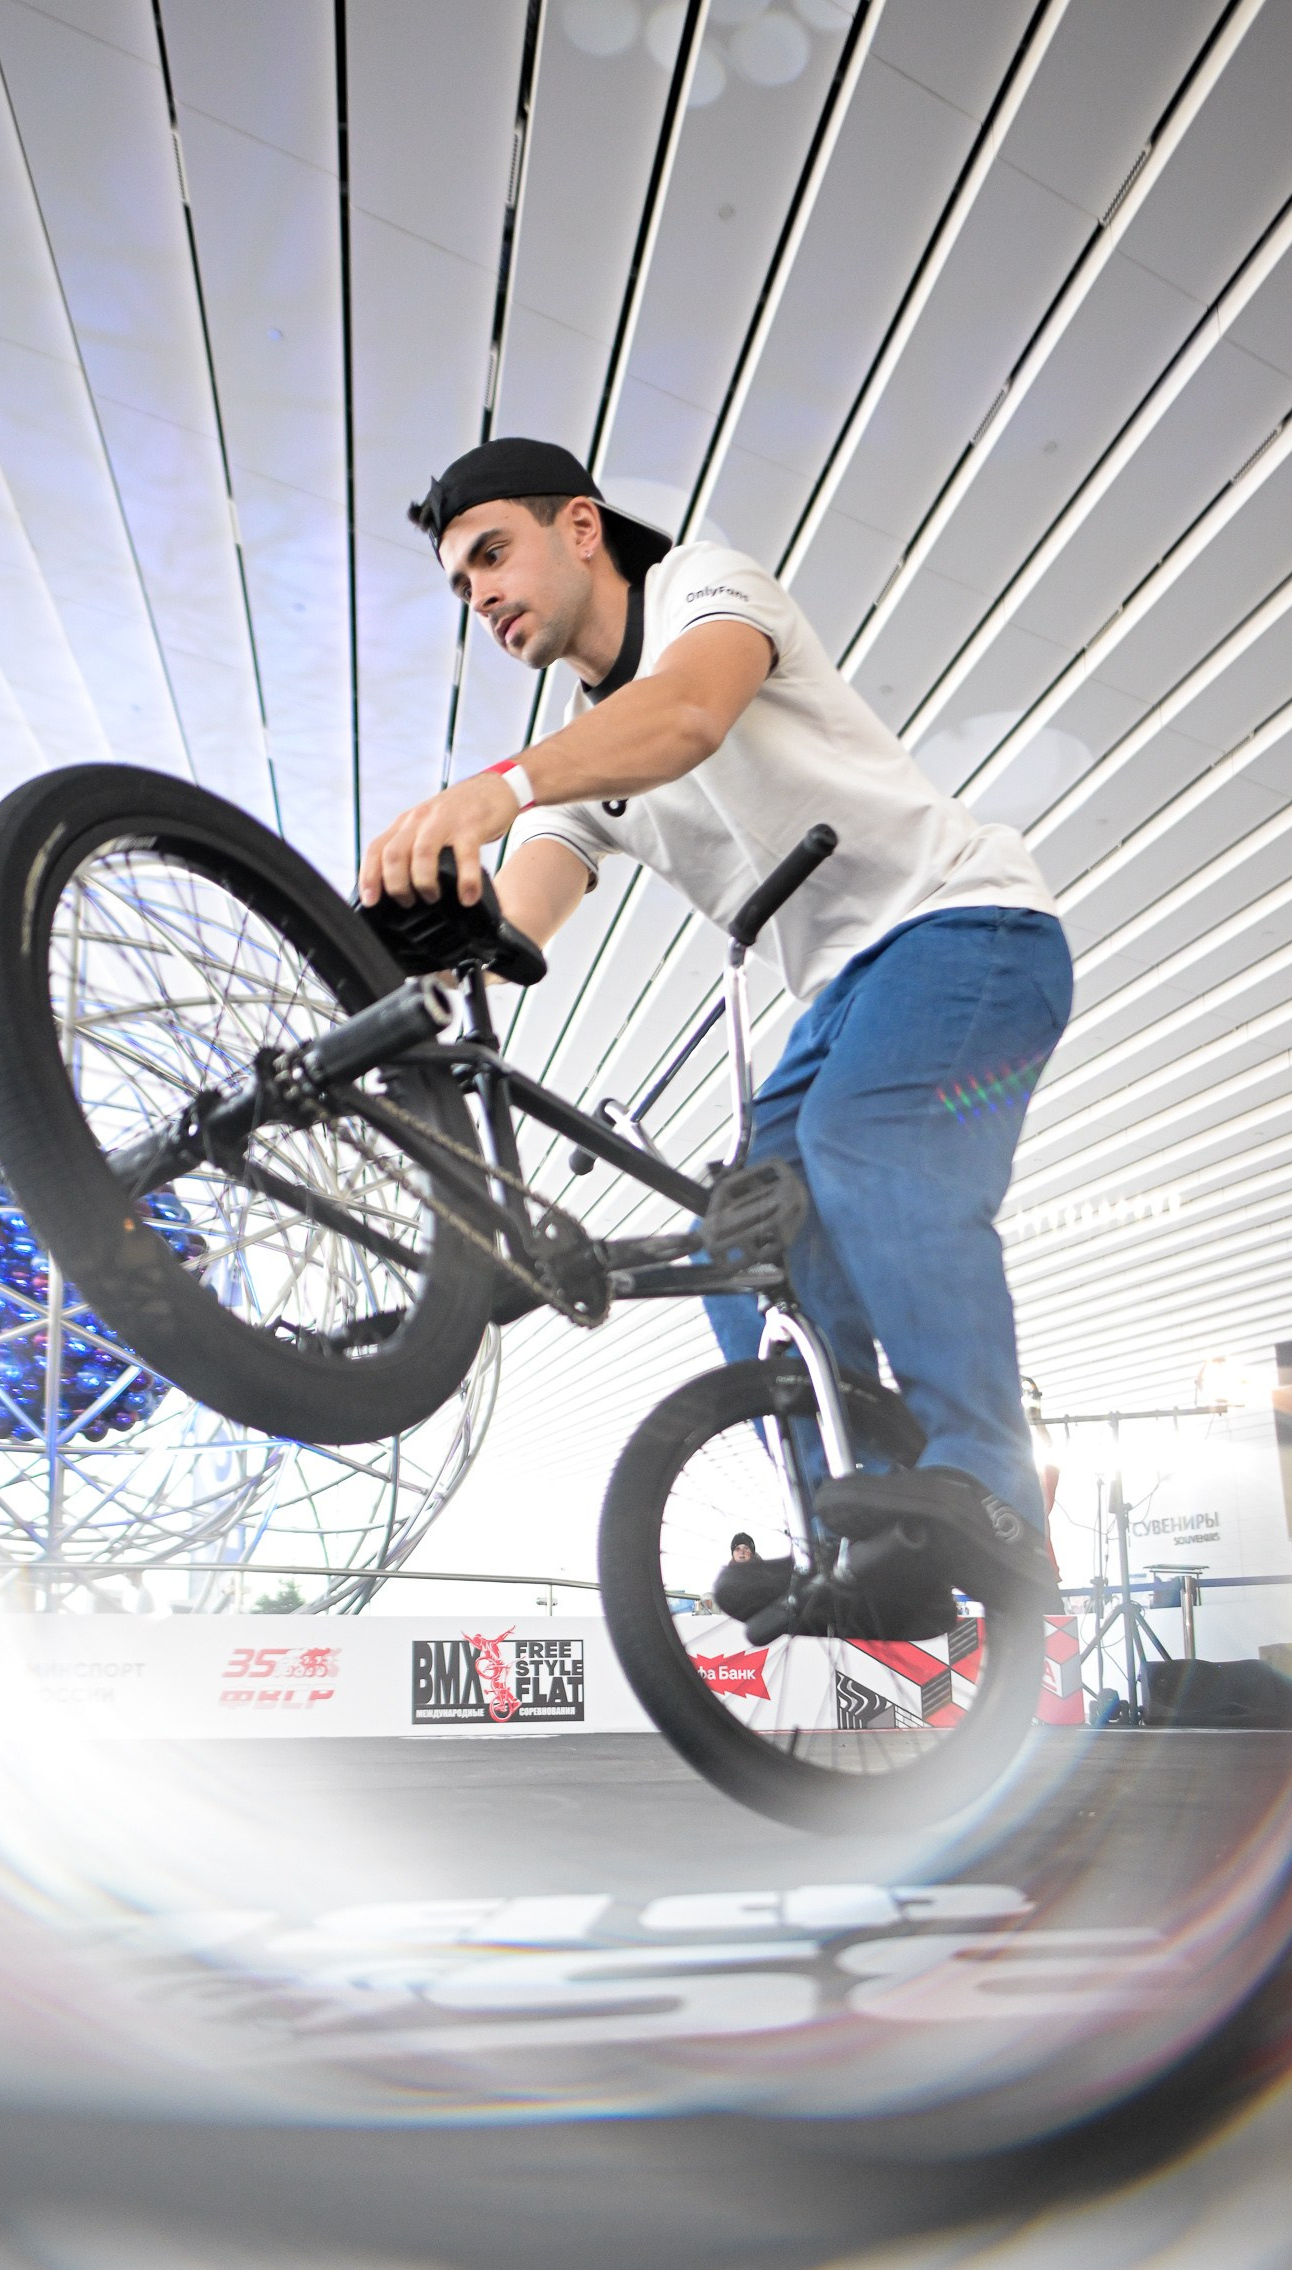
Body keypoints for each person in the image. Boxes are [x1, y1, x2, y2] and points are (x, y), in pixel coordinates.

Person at [363, 438, 1070, 1636]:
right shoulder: (582, 760)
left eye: (493, 553)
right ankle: (873, 1537)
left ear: (580, 528)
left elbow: (689, 713)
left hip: (967, 927)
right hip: (843, 994)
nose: (479, 592)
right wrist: (417, 955)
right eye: (460, 580)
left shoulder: (706, 588)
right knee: (741, 1237)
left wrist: (496, 787)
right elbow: (520, 921)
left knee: (864, 1142)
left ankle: (992, 1487)